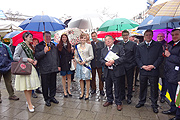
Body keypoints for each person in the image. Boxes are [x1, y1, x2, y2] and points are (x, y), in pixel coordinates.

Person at [135, 29, 163, 113]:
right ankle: (141, 101)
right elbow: (137, 57)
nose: (148, 36)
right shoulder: (140, 46)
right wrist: (142, 66)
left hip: (153, 70)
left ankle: (154, 104)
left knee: (154, 88)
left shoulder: (158, 45)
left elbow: (160, 57)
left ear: (152, 35)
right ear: (144, 36)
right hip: (143, 70)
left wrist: (153, 65)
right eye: (146, 35)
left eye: (150, 35)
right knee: (142, 87)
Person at [13, 32, 40, 112]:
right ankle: (29, 103)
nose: (31, 38)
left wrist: (35, 61)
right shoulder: (21, 46)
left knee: (30, 87)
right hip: (24, 68)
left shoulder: (31, 46)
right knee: (27, 87)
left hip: (31, 67)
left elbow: (33, 56)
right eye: (30, 37)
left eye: (31, 37)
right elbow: (15, 57)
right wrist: (26, 59)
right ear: (25, 37)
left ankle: (29, 102)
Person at [100, 35, 125, 111]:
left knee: (117, 87)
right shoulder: (103, 50)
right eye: (106, 40)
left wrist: (114, 61)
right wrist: (105, 63)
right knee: (108, 86)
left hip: (116, 71)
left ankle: (118, 102)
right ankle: (109, 100)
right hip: (107, 71)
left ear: (113, 40)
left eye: (109, 40)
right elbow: (101, 59)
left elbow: (123, 58)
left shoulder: (119, 48)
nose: (107, 41)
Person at [35, 31, 60, 107]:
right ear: (43, 37)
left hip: (53, 68)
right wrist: (44, 51)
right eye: (46, 36)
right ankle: (46, 99)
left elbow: (57, 56)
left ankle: (52, 96)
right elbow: (37, 56)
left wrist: (58, 65)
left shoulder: (53, 45)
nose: (48, 38)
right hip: (44, 69)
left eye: (49, 36)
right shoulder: (39, 46)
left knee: (53, 84)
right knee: (45, 85)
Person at [162, 29, 180, 120]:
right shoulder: (170, 44)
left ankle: (178, 115)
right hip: (168, 74)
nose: (174, 36)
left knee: (177, 96)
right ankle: (173, 109)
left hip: (176, 75)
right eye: (172, 35)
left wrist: (169, 56)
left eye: (176, 34)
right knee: (172, 94)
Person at [118, 30, 137, 104]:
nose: (125, 36)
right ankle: (122, 95)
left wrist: (133, 64)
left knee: (130, 82)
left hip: (130, 66)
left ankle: (129, 97)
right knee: (121, 82)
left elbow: (136, 55)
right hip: (121, 66)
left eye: (126, 35)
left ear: (128, 36)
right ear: (122, 36)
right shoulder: (119, 44)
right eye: (124, 35)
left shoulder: (133, 44)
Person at [75, 33, 94, 100]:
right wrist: (78, 61)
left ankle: (87, 93)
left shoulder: (89, 46)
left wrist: (85, 61)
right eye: (82, 38)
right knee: (81, 79)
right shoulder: (77, 46)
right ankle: (82, 93)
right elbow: (75, 56)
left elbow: (92, 56)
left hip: (86, 65)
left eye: (84, 38)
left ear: (86, 39)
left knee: (87, 79)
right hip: (80, 65)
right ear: (80, 39)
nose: (83, 39)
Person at [0, 36, 19, 103]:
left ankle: (11, 95)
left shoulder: (5, 46)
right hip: (7, 66)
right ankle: (11, 95)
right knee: (8, 82)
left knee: (9, 82)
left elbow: (11, 56)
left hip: (7, 67)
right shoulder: (5, 46)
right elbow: (11, 56)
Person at [90, 32, 105, 96]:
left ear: (97, 36)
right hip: (93, 62)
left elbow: (104, 52)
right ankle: (93, 88)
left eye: (94, 36)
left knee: (101, 77)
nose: (93, 37)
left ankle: (101, 89)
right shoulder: (90, 44)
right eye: (92, 36)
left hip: (99, 63)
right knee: (93, 77)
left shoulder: (102, 43)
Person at [157, 33, 168, 103]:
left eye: (161, 36)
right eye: (158, 36)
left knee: (165, 82)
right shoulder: (155, 44)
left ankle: (163, 96)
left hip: (165, 65)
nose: (160, 37)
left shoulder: (167, 45)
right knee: (155, 82)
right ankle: (155, 94)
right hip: (157, 65)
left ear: (164, 37)